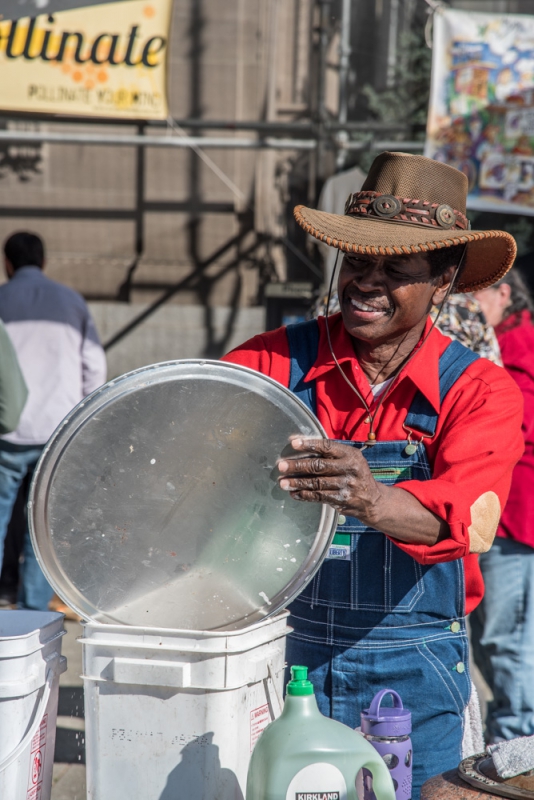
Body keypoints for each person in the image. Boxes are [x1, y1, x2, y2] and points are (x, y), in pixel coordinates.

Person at [223, 152, 524, 798]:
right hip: (279, 658)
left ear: (443, 280)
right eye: (358, 262)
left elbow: (462, 522)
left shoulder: (479, 391)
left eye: (396, 270)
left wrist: (370, 498)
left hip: (413, 675)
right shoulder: (268, 363)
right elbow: (196, 460)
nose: (367, 282)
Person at [0, 231, 107, 611]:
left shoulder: (1, 299)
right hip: (57, 431)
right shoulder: (71, 301)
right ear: (44, 262)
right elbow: (95, 367)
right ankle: (32, 612)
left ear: (7, 263)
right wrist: (83, 419)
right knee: (40, 525)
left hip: (7, 431)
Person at [471, 269, 534, 742]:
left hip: (514, 519)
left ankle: (515, 747)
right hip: (487, 513)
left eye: (472, 296)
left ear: (504, 294)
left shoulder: (522, 346)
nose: (464, 308)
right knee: (489, 640)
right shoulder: (495, 344)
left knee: (506, 639)